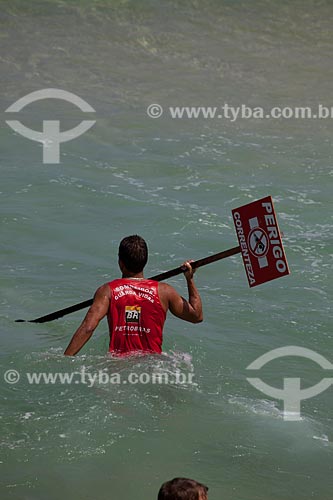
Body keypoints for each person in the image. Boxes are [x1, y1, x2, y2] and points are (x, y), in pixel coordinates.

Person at [64, 235, 203, 356]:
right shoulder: (165, 292)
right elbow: (197, 316)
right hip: (154, 365)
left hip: (118, 366)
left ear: (120, 263)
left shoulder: (107, 291)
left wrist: (65, 358)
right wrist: (189, 279)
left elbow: (88, 327)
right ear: (145, 261)